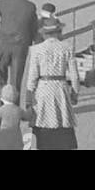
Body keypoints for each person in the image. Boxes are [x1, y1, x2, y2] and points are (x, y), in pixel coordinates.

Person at [24, 16, 81, 150]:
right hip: (60, 88)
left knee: (42, 122)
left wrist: (28, 98)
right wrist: (75, 93)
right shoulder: (67, 47)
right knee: (63, 123)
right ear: (58, 31)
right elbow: (75, 75)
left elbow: (32, 76)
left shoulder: (36, 49)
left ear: (44, 33)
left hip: (43, 88)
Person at [0, 84, 34, 151]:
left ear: (2, 98)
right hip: (16, 142)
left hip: (2, 142)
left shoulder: (0, 111)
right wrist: (30, 108)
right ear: (16, 97)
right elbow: (28, 117)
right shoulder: (18, 110)